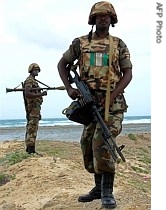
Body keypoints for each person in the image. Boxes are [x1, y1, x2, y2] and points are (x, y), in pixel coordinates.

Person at [57, 1, 132, 209]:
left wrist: (112, 95)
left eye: (107, 16)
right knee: (88, 145)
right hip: (88, 103)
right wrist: (69, 88)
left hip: (113, 104)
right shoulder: (80, 43)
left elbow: (128, 74)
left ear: (112, 20)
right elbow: (62, 64)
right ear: (93, 19)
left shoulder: (118, 44)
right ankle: (98, 188)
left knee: (102, 141)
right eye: (99, 16)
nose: (103, 19)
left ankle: (107, 192)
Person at [23, 63, 47, 154]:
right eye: (35, 70)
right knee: (32, 128)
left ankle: (30, 149)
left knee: (33, 127)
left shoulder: (33, 81)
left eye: (38, 70)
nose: (37, 71)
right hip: (32, 108)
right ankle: (30, 150)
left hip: (35, 108)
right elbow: (27, 93)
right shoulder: (29, 81)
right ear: (31, 70)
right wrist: (41, 94)